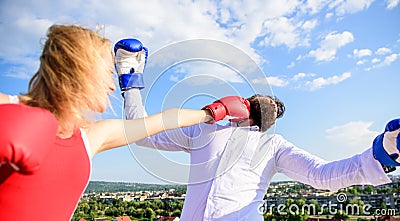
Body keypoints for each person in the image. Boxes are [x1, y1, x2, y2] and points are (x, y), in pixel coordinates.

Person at [116, 38, 400, 221]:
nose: (268, 110)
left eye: (273, 110)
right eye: (261, 105)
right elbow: (141, 134)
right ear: (242, 104)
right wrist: (131, 84)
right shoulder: (205, 130)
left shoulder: (273, 147)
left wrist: (380, 157)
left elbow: (321, 175)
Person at [0, 25, 249, 220]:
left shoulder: (92, 137)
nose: (111, 86)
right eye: (108, 74)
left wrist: (214, 111)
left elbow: (164, 121)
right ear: (82, 68)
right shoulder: (8, 107)